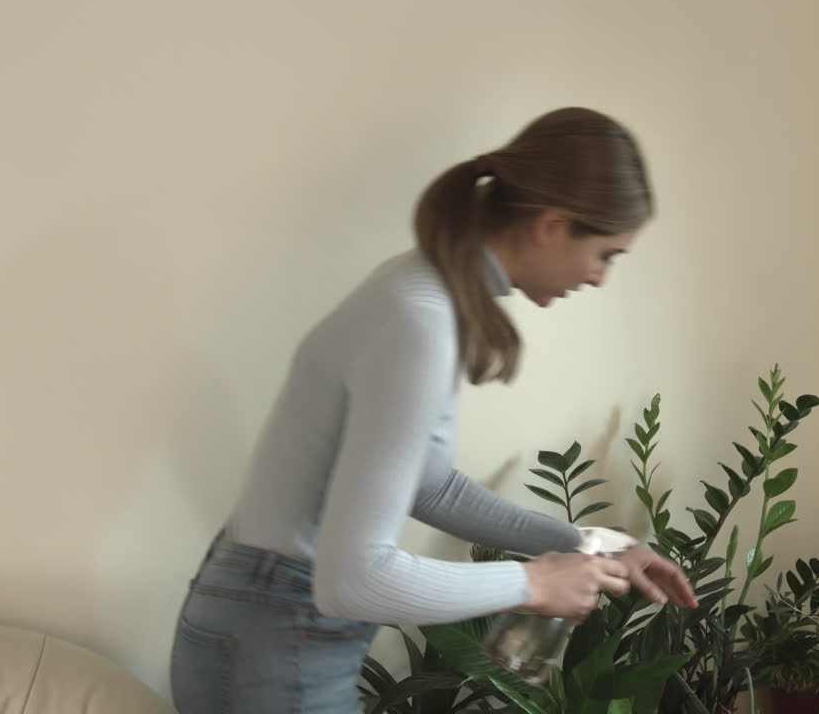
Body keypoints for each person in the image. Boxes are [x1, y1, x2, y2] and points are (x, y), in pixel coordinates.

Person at [169, 107, 698, 714]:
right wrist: (534, 582)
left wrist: (587, 545)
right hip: (276, 643)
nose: (601, 278)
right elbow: (355, 580)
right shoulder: (419, 318)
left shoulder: (418, 292)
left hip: (261, 627)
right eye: (606, 254)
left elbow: (430, 486)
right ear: (552, 225)